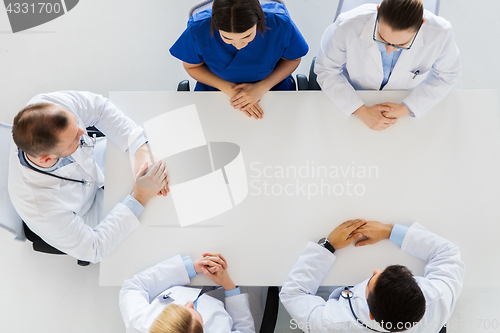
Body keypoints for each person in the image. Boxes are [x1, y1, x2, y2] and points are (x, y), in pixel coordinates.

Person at [8, 91, 168, 263]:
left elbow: (100, 109)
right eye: (75, 138)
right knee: (159, 221)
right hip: (86, 210)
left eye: (77, 123)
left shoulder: (46, 105)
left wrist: (139, 149)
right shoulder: (41, 207)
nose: (83, 130)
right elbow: (94, 249)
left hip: (93, 161)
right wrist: (139, 196)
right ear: (46, 159)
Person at [279, 219, 465, 332]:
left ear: (370, 314)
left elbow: (294, 294)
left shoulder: (332, 323)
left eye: (370, 282)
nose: (376, 270)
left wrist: (328, 246)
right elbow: (448, 253)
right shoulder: (437, 298)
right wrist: (390, 230)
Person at [315, 0, 461, 130]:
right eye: (382, 38)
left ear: (421, 24)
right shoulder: (346, 25)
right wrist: (360, 110)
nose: (389, 50)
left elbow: (447, 76)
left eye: (402, 44)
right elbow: (326, 70)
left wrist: (407, 108)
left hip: (404, 100)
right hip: (352, 93)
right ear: (378, 12)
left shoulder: (441, 33)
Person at [170, 0, 308, 119]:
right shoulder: (199, 29)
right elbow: (192, 66)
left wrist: (261, 88)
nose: (238, 45)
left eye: (247, 36)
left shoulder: (279, 24)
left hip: (273, 91)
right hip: (216, 93)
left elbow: (293, 59)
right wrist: (230, 90)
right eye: (227, 38)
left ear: (259, 21)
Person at [119, 252, 255, 333]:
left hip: (188, 277)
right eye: (198, 315)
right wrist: (229, 286)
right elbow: (244, 330)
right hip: (229, 288)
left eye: (179, 307)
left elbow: (134, 286)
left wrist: (190, 268)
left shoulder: (138, 323)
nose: (189, 303)